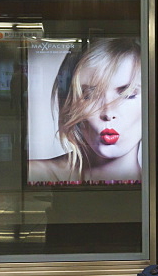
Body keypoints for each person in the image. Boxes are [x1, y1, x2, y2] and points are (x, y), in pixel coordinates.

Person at [28, 37, 142, 184]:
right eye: (89, 95)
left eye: (128, 94)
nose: (107, 113)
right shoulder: (35, 174)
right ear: (71, 103)